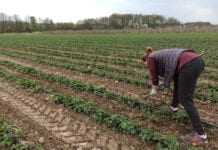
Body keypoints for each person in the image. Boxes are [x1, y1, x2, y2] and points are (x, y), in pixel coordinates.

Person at [142, 47, 207, 144]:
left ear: (145, 60)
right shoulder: (158, 55)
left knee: (185, 99)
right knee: (177, 83)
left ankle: (200, 134)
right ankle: (173, 107)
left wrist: (154, 89)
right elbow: (173, 73)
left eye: (145, 65)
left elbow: (154, 76)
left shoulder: (150, 58)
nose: (147, 66)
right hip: (196, 61)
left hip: (189, 64)